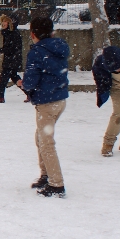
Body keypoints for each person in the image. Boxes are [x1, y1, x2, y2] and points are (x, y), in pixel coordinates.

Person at [19, 16, 70, 197]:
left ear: (33, 34)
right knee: (40, 138)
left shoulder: (37, 52)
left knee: (46, 142)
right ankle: (46, 174)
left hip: (46, 102)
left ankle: (56, 184)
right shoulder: (59, 47)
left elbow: (31, 79)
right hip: (59, 99)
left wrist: (23, 83)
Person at [0, 13, 24, 103]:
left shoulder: (13, 34)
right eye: (3, 21)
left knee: (4, 78)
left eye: (5, 21)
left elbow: (12, 48)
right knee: (14, 77)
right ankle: (30, 93)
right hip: (12, 59)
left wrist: (1, 50)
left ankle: (0, 96)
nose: (3, 23)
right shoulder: (8, 33)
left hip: (12, 60)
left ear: (10, 23)